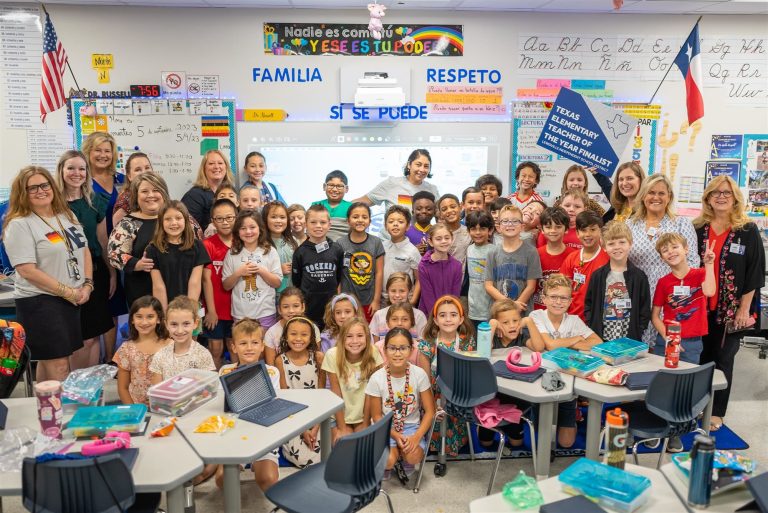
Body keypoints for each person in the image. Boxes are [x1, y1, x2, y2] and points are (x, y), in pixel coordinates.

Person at [4, 166, 92, 382]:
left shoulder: (66, 215)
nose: (40, 190)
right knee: (59, 365)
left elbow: (84, 250)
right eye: (32, 188)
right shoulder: (19, 224)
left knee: (55, 360)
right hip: (40, 301)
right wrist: (67, 292)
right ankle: (57, 413)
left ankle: (46, 410)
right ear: (22, 193)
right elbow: (27, 270)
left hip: (71, 298)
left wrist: (87, 284)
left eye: (44, 185)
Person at [694, 176, 765, 430]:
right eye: (715, 193)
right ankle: (697, 406)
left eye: (726, 192)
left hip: (733, 310)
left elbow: (755, 272)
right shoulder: (698, 228)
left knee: (724, 359)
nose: (721, 196)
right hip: (700, 308)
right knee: (701, 358)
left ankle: (717, 411)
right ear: (707, 198)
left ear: (735, 197)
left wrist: (744, 310)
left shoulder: (747, 230)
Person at [55, 150, 115, 368]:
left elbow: (102, 240)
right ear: (61, 171)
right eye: (71, 168)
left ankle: (91, 389)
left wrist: (111, 272)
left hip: (94, 273)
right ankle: (74, 387)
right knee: (76, 338)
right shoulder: (52, 204)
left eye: (81, 168)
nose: (76, 173)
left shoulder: (95, 202)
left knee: (93, 335)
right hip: (64, 275)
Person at [528, 274, 602, 448]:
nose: (558, 302)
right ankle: (537, 412)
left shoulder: (574, 321)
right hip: (542, 379)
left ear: (570, 301)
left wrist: (571, 342)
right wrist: (576, 340)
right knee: (543, 438)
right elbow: (551, 345)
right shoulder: (536, 315)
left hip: (568, 378)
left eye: (563, 298)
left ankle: (572, 411)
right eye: (553, 297)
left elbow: (598, 343)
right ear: (544, 299)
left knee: (566, 443)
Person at [627, 173, 700, 345]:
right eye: (651, 192)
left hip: (671, 297)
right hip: (638, 296)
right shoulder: (630, 225)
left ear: (669, 197)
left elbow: (692, 263)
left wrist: (679, 293)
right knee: (639, 351)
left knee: (668, 349)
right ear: (643, 195)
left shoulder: (681, 224)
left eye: (661, 193)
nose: (656, 197)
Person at [216, 318, 280, 490]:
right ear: (234, 347)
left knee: (268, 479)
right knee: (223, 479)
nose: (249, 348)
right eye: (243, 343)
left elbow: (271, 406)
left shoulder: (272, 372)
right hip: (235, 433)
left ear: (261, 346)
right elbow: (225, 409)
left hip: (263, 433)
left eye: (254, 343)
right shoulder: (225, 371)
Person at [366, 328, 435, 481]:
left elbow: (430, 411)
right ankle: (391, 459)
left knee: (413, 456)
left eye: (403, 348)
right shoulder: (377, 378)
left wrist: (416, 437)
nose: (398, 353)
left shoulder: (419, 374)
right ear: (385, 350)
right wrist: (396, 436)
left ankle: (403, 458)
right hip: (386, 428)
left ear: (411, 350)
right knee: (388, 460)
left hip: (411, 427)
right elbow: (376, 416)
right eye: (392, 348)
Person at [83, 131, 124, 363]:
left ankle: (110, 359)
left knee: (115, 308)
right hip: (97, 254)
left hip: (120, 252)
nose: (102, 155)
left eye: (107, 151)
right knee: (99, 309)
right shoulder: (84, 182)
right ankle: (93, 362)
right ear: (88, 152)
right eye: (97, 150)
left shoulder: (121, 179)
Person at [481, 299, 545, 448]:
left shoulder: (522, 339)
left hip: (515, 402)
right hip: (491, 399)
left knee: (517, 444)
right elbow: (483, 352)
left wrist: (529, 322)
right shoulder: (493, 339)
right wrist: (492, 325)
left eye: (515, 320)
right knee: (485, 443)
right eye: (505, 322)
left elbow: (539, 347)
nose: (512, 325)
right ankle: (483, 426)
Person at [417, 295, 475, 456]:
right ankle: (436, 447)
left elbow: (469, 375)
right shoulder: (427, 345)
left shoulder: (467, 342)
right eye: (443, 315)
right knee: (437, 418)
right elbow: (425, 382)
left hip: (459, 397)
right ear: (435, 320)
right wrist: (432, 406)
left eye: (453, 315)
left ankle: (456, 445)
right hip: (434, 397)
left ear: (461, 319)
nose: (448, 319)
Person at [108, 173, 171, 309]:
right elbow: (114, 254)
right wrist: (138, 264)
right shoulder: (128, 223)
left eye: (156, 190)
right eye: (144, 191)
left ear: (164, 193)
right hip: (142, 295)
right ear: (136, 196)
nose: (150, 195)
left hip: (176, 291)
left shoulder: (176, 217)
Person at [651, 232, 716, 363]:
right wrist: (668, 337)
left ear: (686, 249)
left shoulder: (701, 274)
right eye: (665, 250)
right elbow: (655, 316)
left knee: (686, 381)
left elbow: (709, 292)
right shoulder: (663, 282)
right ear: (662, 257)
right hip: (666, 338)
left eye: (675, 247)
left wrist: (709, 265)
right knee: (660, 378)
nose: (670, 252)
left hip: (692, 342)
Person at [585, 221, 651, 341]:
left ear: (630, 244)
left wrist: (638, 329)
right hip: (601, 338)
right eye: (611, 243)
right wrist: (593, 324)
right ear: (604, 247)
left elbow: (644, 309)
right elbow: (588, 304)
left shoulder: (639, 277)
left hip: (629, 339)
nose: (617, 247)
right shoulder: (597, 276)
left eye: (622, 242)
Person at [275, 316, 325, 468]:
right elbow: (284, 398)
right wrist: (303, 430)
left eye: (304, 334)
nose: (298, 338)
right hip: (292, 416)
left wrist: (316, 425)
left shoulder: (318, 357)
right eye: (293, 334)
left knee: (327, 451)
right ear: (286, 336)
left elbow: (321, 393)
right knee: (304, 458)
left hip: (317, 412)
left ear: (311, 338)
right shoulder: (280, 360)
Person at [322, 318, 383, 442]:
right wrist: (342, 427)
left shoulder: (373, 352)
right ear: (342, 338)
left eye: (360, 336)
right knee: (344, 445)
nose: (355, 341)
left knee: (362, 445)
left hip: (365, 414)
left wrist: (365, 424)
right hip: (340, 414)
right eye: (349, 336)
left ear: (367, 337)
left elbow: (373, 392)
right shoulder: (332, 355)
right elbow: (336, 392)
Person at [147, 201, 210, 311]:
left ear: (186, 220)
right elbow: (158, 286)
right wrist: (165, 314)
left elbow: (194, 283)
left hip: (192, 306)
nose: (173, 223)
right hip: (166, 307)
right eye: (168, 219)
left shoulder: (197, 246)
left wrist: (190, 312)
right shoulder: (153, 249)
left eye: (178, 218)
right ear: (161, 222)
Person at [222, 210, 282, 325]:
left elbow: (277, 283)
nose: (248, 232)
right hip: (241, 315)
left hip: (266, 313)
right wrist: (238, 273)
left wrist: (261, 270)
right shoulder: (232, 253)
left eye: (252, 227)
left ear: (260, 229)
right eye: (243, 228)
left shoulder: (270, 251)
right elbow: (226, 286)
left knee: (265, 343)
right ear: (237, 231)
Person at [291, 204, 344, 329]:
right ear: (306, 225)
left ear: (329, 225)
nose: (318, 226)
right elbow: (296, 281)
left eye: (323, 222)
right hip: (309, 308)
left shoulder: (337, 249)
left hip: (331, 308)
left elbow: (339, 277)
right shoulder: (300, 252)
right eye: (313, 222)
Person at [113, 296, 171, 404]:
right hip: (137, 409)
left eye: (150, 317)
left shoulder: (171, 346)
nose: (144, 322)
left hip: (166, 407)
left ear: (158, 319)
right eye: (139, 317)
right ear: (132, 320)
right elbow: (123, 388)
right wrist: (133, 411)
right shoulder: (126, 349)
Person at [484, 205, 541, 311]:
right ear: (499, 227)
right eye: (505, 221)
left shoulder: (531, 252)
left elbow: (531, 286)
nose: (510, 224)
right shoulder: (492, 252)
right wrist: (511, 305)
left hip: (522, 312)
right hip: (499, 312)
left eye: (515, 221)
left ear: (522, 226)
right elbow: (489, 286)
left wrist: (516, 307)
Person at [202, 199, 237, 369]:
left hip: (238, 309)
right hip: (216, 309)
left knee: (235, 348)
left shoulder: (243, 242)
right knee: (215, 350)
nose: (225, 222)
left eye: (229, 217)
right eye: (220, 219)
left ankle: (238, 387)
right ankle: (215, 386)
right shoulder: (208, 245)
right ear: (213, 221)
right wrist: (211, 311)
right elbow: (205, 279)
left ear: (237, 218)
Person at [355, 149, 440, 218]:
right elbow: (361, 202)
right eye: (418, 164)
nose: (422, 169)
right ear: (409, 165)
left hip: (419, 239)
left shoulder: (432, 189)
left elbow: (440, 215)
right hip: (390, 239)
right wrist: (342, 205)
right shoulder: (391, 184)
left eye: (426, 166)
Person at [149, 295, 215, 383]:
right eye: (174, 324)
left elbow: (210, 388)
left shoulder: (203, 355)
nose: (180, 331)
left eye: (186, 324)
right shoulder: (160, 356)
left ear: (195, 323)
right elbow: (156, 392)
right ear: (166, 324)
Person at [337, 202, 385, 321]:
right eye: (355, 217)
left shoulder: (376, 242)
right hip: (347, 301)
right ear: (348, 221)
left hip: (369, 301)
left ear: (370, 221)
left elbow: (379, 273)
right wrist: (338, 298)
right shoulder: (340, 243)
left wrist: (376, 300)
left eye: (364, 217)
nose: (360, 220)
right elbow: (337, 274)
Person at [559, 211, 608, 321]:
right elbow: (562, 289)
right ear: (577, 233)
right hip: (572, 318)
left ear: (601, 231)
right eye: (583, 230)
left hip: (598, 320)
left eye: (593, 229)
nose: (588, 234)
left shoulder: (608, 259)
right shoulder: (572, 258)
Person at [264, 287, 321, 366]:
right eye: (286, 307)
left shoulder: (313, 328)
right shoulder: (271, 333)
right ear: (279, 309)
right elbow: (271, 368)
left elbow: (317, 359)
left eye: (296, 306)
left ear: (303, 307)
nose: (291, 311)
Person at [534, 207, 575, 310]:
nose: (553, 230)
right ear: (542, 230)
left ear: (566, 229)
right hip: (538, 313)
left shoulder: (574, 256)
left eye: (558, 226)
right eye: (548, 227)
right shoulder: (535, 254)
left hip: (564, 313)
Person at [181, 149, 234, 229]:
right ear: (204, 168)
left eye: (220, 163)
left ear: (226, 167)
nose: (216, 167)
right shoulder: (194, 196)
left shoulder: (231, 192)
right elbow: (189, 229)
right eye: (211, 163)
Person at [417, 223, 462, 316]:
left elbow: (455, 296)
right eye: (438, 239)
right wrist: (436, 317)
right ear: (430, 242)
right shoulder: (423, 266)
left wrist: (448, 316)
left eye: (447, 238)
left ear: (452, 239)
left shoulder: (457, 266)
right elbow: (427, 296)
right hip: (429, 315)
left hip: (449, 315)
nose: (443, 241)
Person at [382, 205, 421, 304]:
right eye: (391, 222)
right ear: (386, 226)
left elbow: (420, 279)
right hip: (384, 299)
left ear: (408, 226)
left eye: (400, 222)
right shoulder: (381, 247)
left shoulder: (412, 251)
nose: (395, 224)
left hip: (404, 300)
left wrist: (413, 300)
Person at [370, 273, 428, 339]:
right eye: (393, 291)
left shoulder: (419, 316)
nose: (397, 295)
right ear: (387, 291)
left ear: (409, 291)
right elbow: (375, 346)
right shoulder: (379, 315)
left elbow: (423, 344)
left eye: (402, 291)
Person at [465, 210, 494, 328]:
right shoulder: (469, 249)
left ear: (490, 230)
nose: (477, 233)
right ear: (468, 231)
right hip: (473, 308)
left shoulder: (494, 250)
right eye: (473, 229)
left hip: (491, 308)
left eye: (482, 228)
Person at [263, 201, 297, 294]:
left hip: (291, 292)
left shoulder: (292, 241)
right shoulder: (261, 244)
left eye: (282, 217)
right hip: (271, 295)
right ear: (265, 219)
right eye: (273, 217)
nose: (278, 221)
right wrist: (279, 270)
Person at [113, 152, 153, 227]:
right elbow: (120, 236)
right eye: (138, 170)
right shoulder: (125, 202)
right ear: (129, 176)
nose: (144, 172)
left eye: (147, 168)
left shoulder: (159, 194)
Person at [312, 170, 351, 242]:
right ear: (324, 186)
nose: (334, 189)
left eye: (339, 186)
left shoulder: (351, 207)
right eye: (331, 185)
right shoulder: (315, 205)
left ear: (346, 189)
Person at [437, 194, 471, 266]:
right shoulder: (436, 235)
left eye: (453, 207)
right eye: (444, 209)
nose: (449, 211)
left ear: (460, 207)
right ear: (440, 214)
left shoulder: (469, 232)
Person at [405, 190, 436, 255]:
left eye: (428, 209)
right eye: (419, 209)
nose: (424, 211)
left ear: (434, 212)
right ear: (413, 212)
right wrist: (413, 251)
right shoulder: (405, 233)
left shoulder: (438, 232)